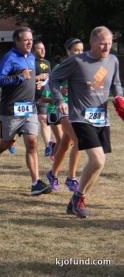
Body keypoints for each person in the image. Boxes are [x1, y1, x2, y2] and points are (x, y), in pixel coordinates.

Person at [49, 26, 122, 218]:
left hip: (101, 118)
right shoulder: (77, 61)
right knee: (97, 159)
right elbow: (54, 79)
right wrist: (59, 101)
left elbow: (116, 84)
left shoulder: (113, 60)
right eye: (102, 44)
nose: (106, 47)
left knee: (100, 163)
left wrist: (119, 98)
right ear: (92, 43)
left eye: (109, 43)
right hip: (80, 116)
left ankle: (78, 198)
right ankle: (79, 198)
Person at [0, 27, 52, 196]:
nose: (30, 42)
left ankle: (35, 183)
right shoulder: (9, 58)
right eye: (26, 40)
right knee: (5, 143)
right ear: (17, 41)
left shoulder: (32, 57)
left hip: (29, 108)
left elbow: (28, 78)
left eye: (31, 40)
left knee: (32, 143)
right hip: (11, 109)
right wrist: (20, 77)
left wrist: (37, 82)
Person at [45, 38, 84, 191]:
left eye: (81, 50)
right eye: (76, 50)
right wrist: (60, 93)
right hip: (63, 108)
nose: (79, 53)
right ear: (68, 51)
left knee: (66, 143)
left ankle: (52, 174)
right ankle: (71, 178)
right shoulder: (60, 67)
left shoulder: (84, 67)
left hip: (78, 109)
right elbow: (51, 84)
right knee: (79, 141)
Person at [33, 40, 55, 157]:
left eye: (44, 48)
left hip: (43, 96)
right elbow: (24, 79)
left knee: (43, 119)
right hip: (28, 96)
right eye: (39, 48)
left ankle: (48, 146)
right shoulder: (29, 62)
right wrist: (38, 77)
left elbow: (49, 80)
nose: (43, 50)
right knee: (21, 122)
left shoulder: (47, 63)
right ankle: (11, 141)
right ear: (33, 50)